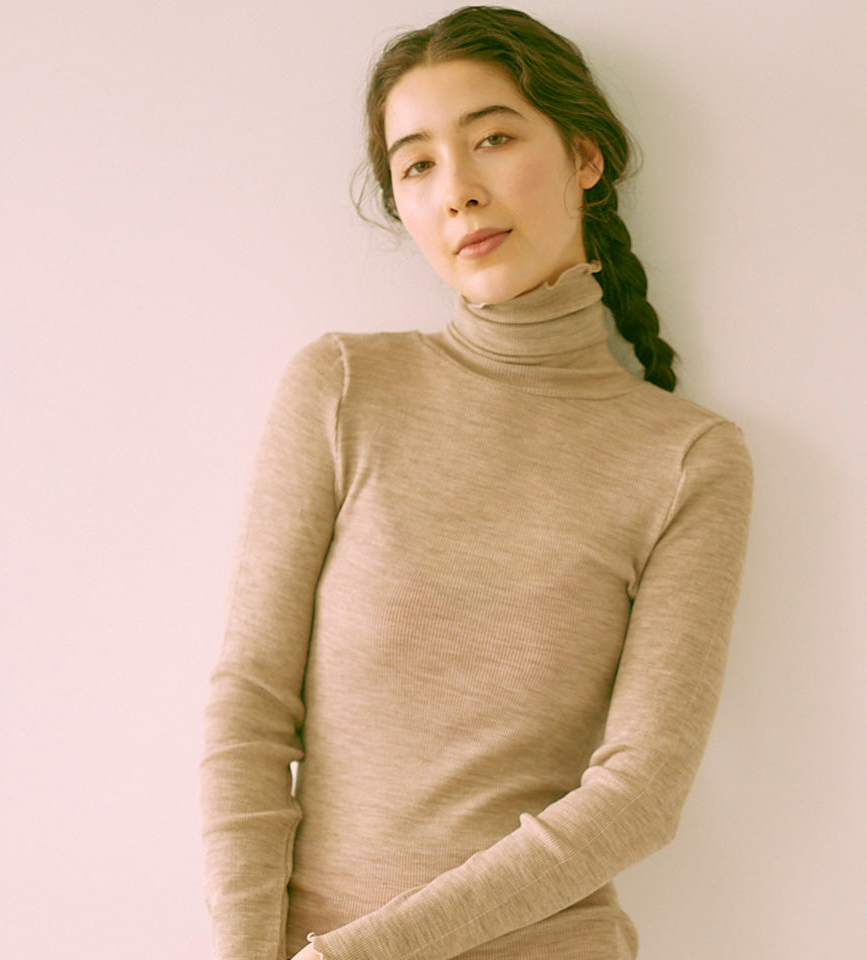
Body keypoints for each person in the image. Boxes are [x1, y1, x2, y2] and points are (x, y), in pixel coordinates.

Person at [199, 6, 753, 960]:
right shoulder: (343, 387)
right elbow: (250, 710)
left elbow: (640, 796)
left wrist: (352, 958)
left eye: (493, 139)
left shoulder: (688, 458)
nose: (458, 191)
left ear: (584, 156)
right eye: (417, 165)